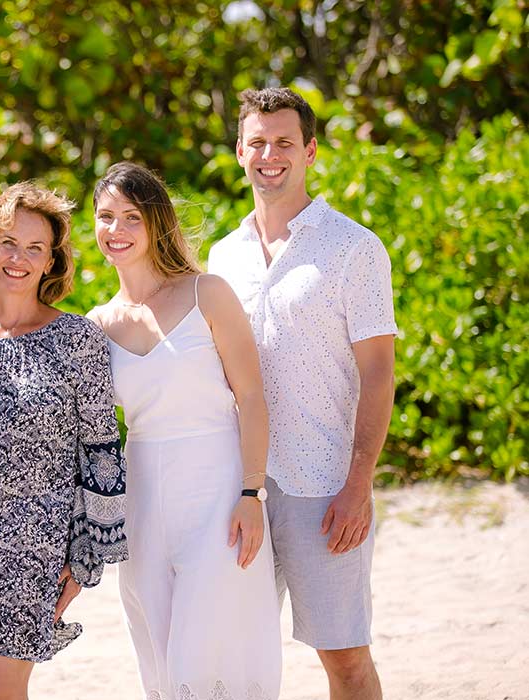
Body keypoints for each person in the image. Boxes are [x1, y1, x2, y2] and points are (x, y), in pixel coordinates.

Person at [208, 87, 396, 700]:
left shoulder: (354, 247)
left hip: (325, 491)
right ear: (239, 151)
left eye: (285, 142)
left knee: (344, 660)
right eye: (257, 142)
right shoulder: (221, 256)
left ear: (310, 150)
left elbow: (378, 373)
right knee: (240, 662)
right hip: (242, 493)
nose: (270, 155)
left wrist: (358, 486)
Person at [89, 162, 281, 700]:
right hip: (144, 502)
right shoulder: (97, 324)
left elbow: (251, 397)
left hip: (220, 493)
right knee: (160, 647)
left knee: (211, 647)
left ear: (156, 223)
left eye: (131, 216)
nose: (116, 230)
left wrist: (252, 491)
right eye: (106, 217)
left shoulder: (207, 293)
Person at [0, 182, 127, 699]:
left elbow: (102, 452)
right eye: (9, 242)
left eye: (36, 248)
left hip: (34, 546)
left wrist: (88, 555)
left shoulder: (78, 340)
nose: (20, 258)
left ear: (52, 261)